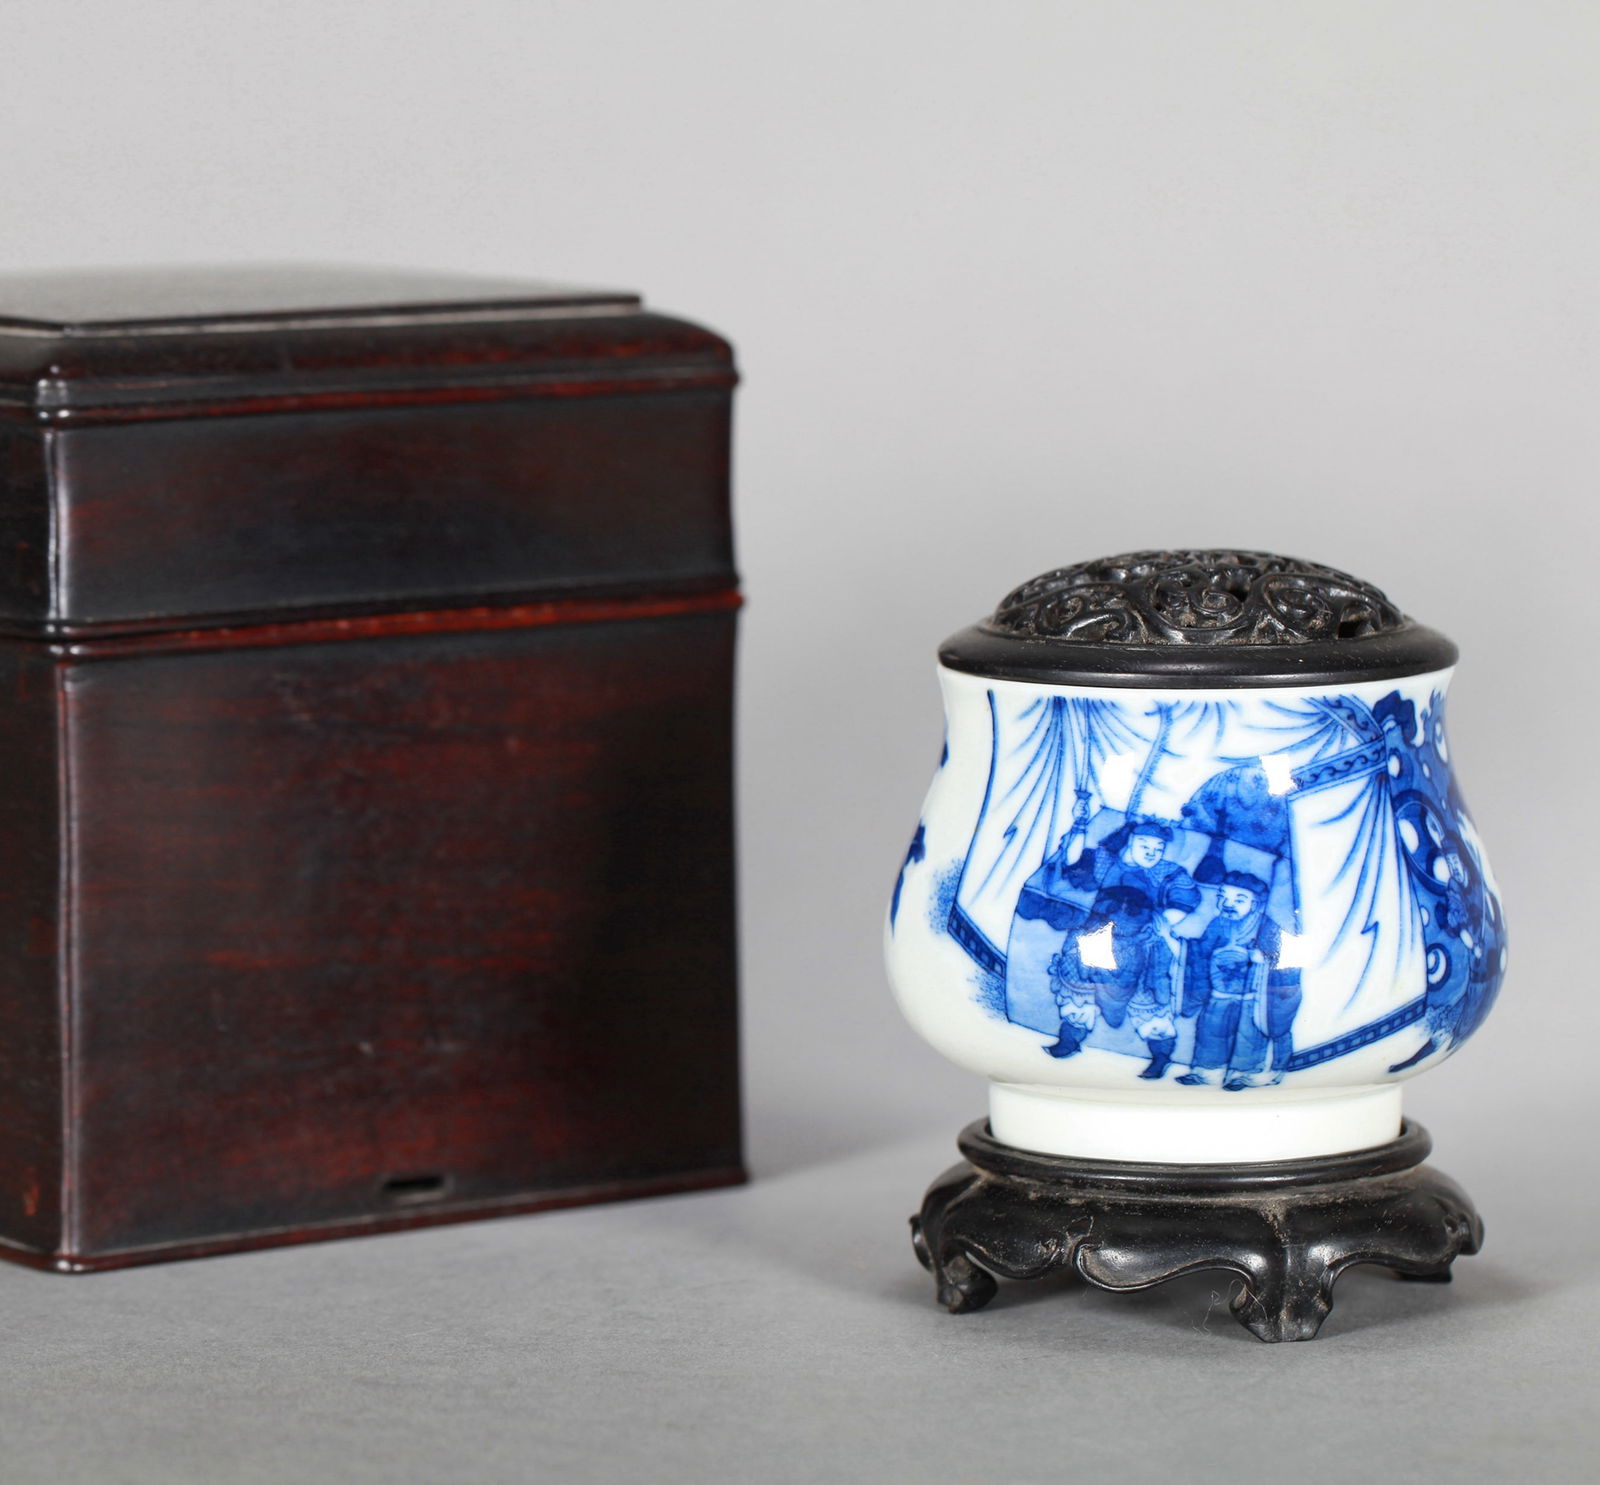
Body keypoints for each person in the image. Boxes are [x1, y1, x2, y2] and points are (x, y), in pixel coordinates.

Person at [1176, 872, 1300, 1089]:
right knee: (1211, 1031)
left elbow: (1284, 957)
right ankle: (1206, 1072)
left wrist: (1263, 958)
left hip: (1252, 995)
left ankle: (1243, 1074)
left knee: (1248, 1035)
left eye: (1239, 900)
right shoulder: (1217, 924)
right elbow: (1201, 952)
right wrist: (1186, 947)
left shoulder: (1266, 927)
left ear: (1256, 904)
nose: (1228, 904)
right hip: (1219, 992)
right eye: (1223, 897)